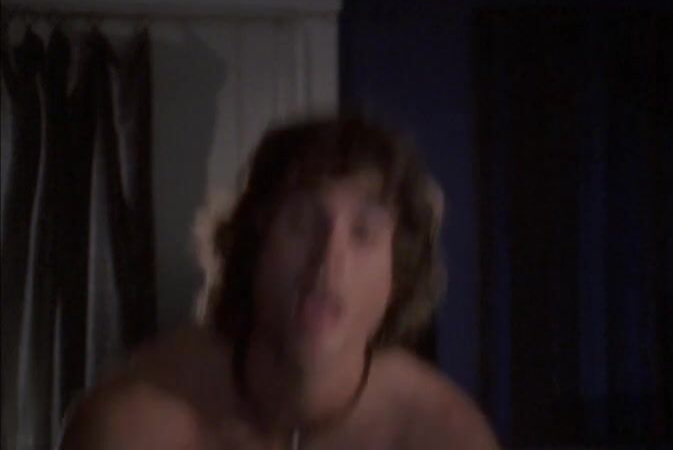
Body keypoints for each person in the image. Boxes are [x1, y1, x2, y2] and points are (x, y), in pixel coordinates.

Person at [61, 114, 498, 449]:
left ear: (397, 277)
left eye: (364, 232)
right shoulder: (131, 423)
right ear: (254, 246)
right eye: (302, 223)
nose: (329, 260)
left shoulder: (445, 435)